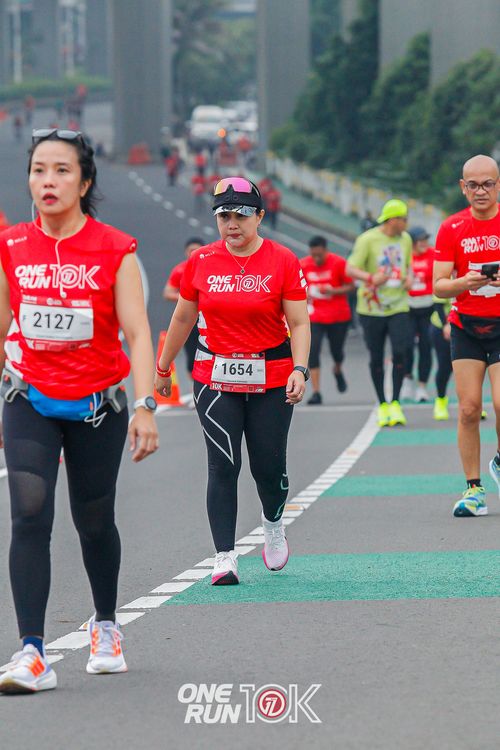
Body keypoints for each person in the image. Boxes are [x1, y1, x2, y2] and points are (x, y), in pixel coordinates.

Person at [0, 128, 159, 694]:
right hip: (29, 399)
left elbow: (138, 333)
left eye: (62, 170)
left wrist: (145, 406)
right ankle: (32, 653)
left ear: (85, 182)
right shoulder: (11, 246)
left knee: (93, 520)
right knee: (29, 514)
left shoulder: (115, 248)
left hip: (98, 406)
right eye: (39, 170)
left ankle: (106, 626)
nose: (48, 181)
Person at [155, 177, 310, 585]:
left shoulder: (282, 260)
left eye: (241, 215)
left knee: (268, 468)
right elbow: (183, 317)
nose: (232, 224)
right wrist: (163, 367)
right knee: (223, 464)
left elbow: (298, 322)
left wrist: (300, 368)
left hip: (271, 378)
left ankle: (272, 523)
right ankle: (224, 555)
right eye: (224, 216)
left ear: (259, 216)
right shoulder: (202, 261)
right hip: (214, 376)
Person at [433, 153, 500, 518]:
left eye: (487, 183)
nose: (480, 191)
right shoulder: (452, 227)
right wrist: (465, 282)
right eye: (473, 184)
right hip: (467, 327)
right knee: (469, 408)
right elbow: (439, 286)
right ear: (463, 187)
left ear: (498, 185)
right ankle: (474, 489)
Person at [347, 199, 413, 427]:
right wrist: (370, 277)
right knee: (376, 356)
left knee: (401, 352)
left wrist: (409, 278)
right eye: (403, 219)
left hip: (399, 305)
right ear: (392, 220)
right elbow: (350, 268)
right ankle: (383, 403)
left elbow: (408, 265)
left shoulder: (406, 239)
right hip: (371, 307)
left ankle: (396, 402)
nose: (406, 223)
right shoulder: (368, 239)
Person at [300, 235, 354, 404]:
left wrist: (332, 291)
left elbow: (351, 286)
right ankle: (316, 392)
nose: (316, 259)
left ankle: (337, 369)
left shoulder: (339, 263)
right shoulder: (303, 265)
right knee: (313, 351)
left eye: (319, 255)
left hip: (338, 315)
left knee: (337, 351)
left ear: (326, 250)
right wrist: (304, 294)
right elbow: (296, 287)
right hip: (314, 316)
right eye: (313, 255)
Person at [401, 226, 435, 403]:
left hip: (428, 306)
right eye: (420, 240)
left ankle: (422, 386)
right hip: (408, 307)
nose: (424, 243)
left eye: (425, 239)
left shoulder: (433, 254)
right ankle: (407, 378)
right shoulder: (404, 255)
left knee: (425, 346)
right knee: (406, 345)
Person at [163, 237, 204, 380]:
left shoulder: (212, 268)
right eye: (191, 250)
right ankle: (194, 386)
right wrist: (188, 298)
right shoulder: (180, 270)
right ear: (186, 252)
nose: (193, 253)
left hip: (209, 317)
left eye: (197, 250)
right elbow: (168, 292)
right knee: (192, 355)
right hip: (189, 318)